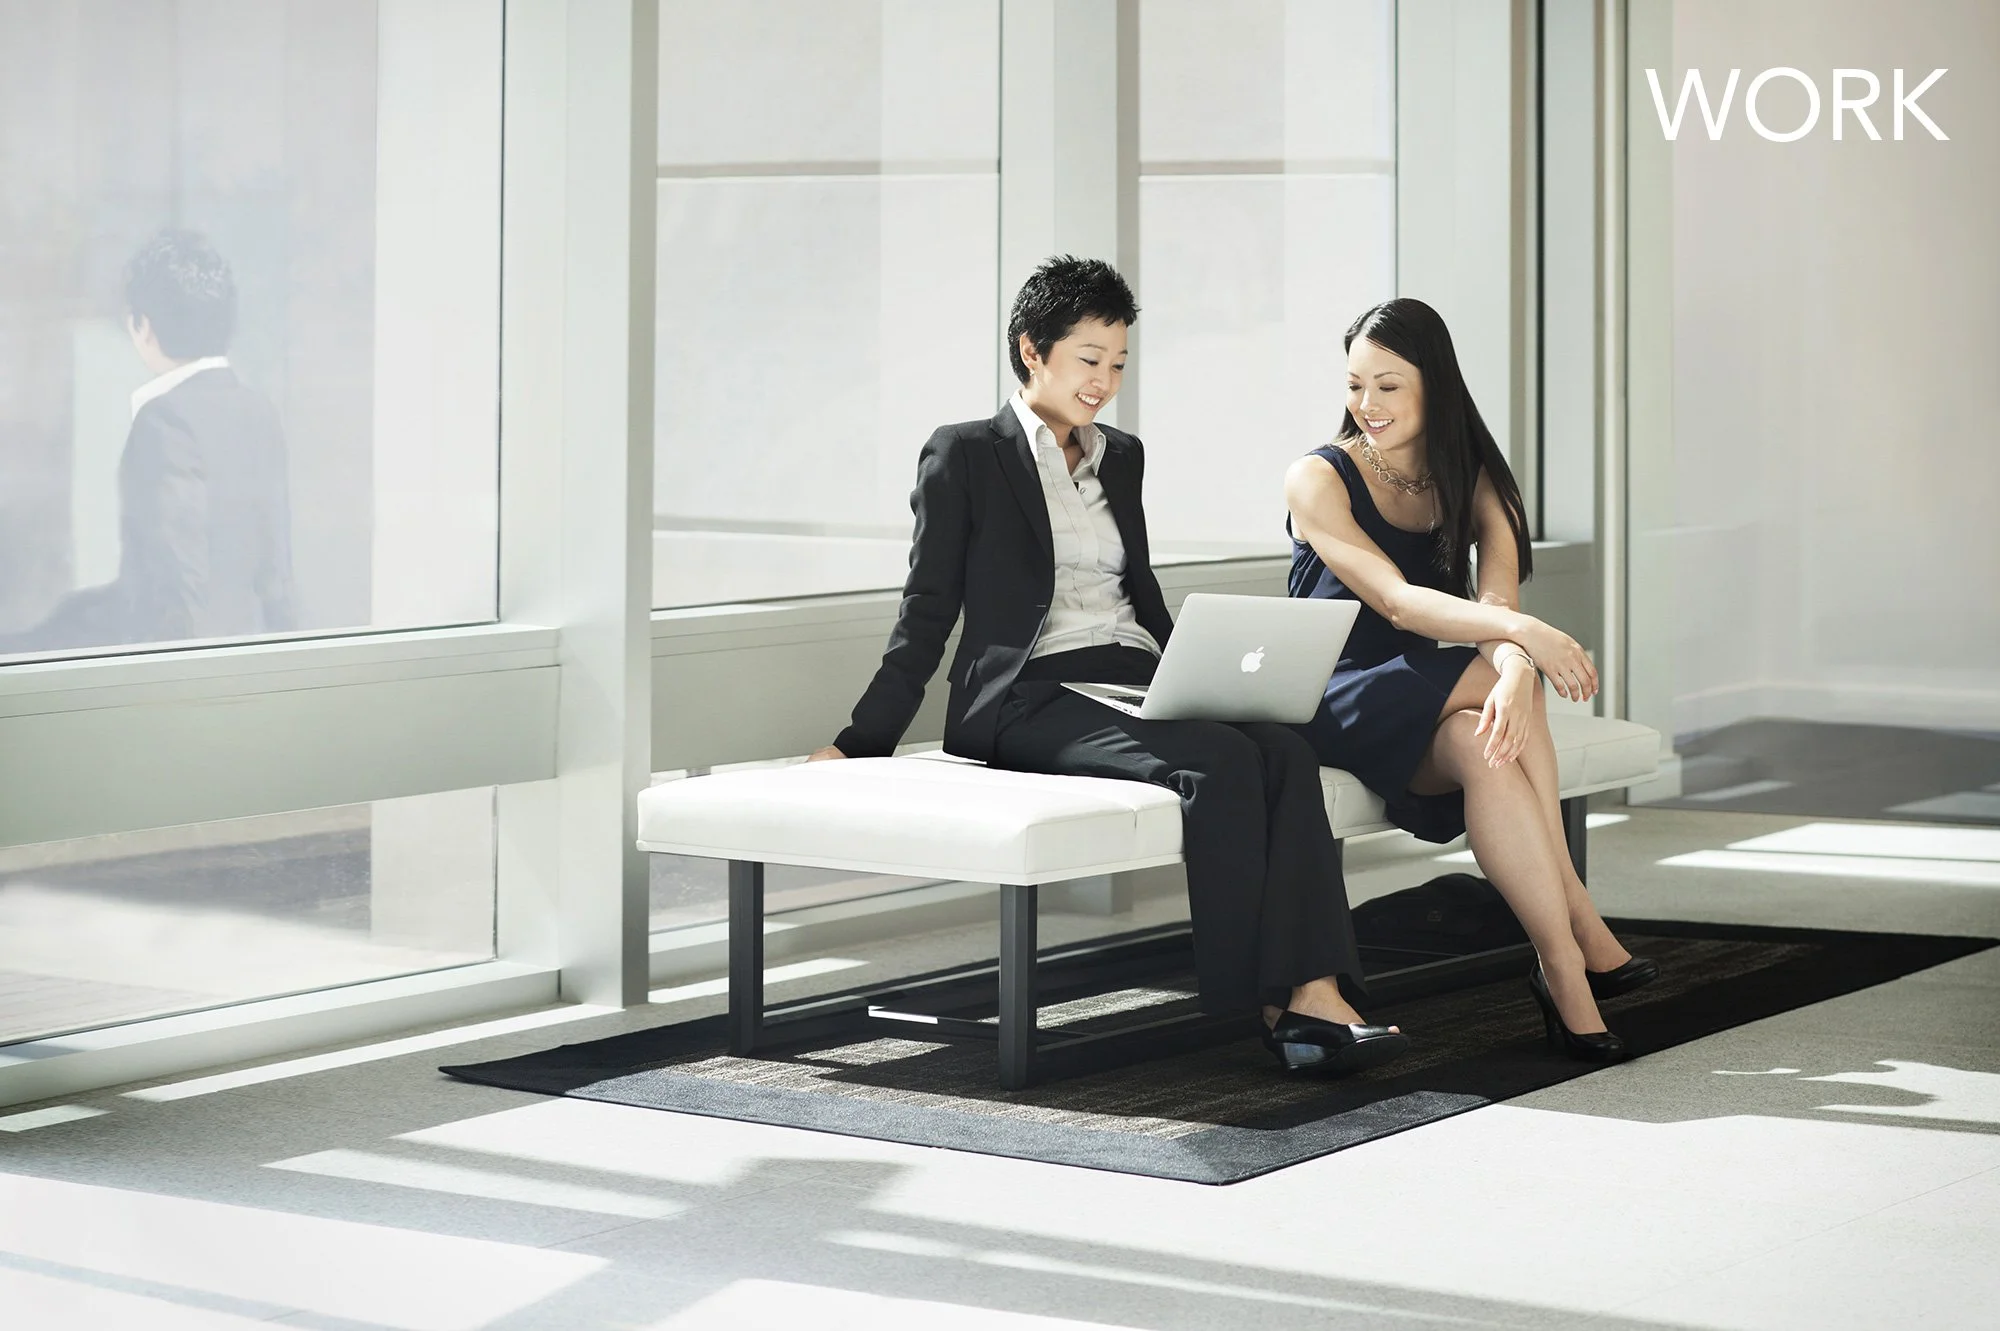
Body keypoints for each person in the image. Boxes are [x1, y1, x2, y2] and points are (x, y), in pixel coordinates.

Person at [811, 256, 1408, 1076]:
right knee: (1221, 763)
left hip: (1131, 672)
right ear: (1032, 349)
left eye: (1118, 363)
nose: (1105, 380)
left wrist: (1204, 667)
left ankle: (1314, 988)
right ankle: (1280, 1003)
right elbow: (926, 612)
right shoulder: (965, 455)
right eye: (1089, 360)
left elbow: (1138, 587)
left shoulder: (1121, 455)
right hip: (1031, 693)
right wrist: (860, 740)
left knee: (1284, 751)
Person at [1284, 297, 1655, 1063]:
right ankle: (1581, 922)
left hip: (1446, 670)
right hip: (1337, 679)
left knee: (1484, 744)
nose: (1368, 404)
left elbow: (1497, 601)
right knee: (1494, 694)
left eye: (1389, 384)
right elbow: (1396, 601)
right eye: (1356, 384)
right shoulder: (1318, 477)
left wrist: (1516, 663)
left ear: (1436, 383)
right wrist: (1520, 646)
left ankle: (1560, 970)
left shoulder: (1473, 475)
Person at [5, 229, 295, 653]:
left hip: (175, 666)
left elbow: (179, 589)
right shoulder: (259, 411)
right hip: (247, 654)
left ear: (142, 326)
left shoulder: (164, 421)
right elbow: (276, 579)